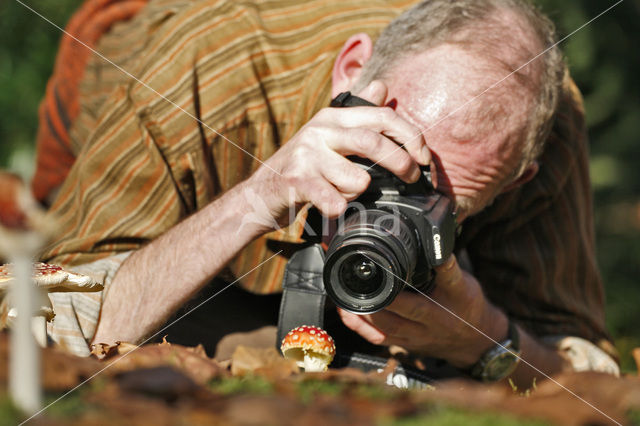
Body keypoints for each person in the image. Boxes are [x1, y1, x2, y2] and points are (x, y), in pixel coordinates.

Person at [36, 0, 618, 387]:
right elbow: (37, 318)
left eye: (437, 208)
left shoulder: (540, 119)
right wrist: (255, 198)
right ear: (352, 73)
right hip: (110, 53)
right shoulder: (202, 80)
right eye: (383, 161)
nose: (391, 213)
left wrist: (483, 336)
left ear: (516, 180)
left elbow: (592, 383)